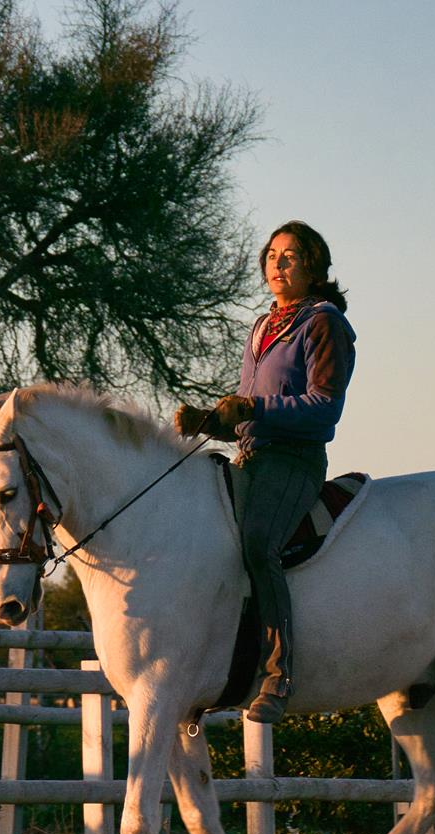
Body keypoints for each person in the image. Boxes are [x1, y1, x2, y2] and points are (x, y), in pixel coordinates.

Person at [175, 220, 356, 724]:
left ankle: (279, 675)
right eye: (272, 255)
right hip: (251, 459)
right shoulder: (261, 327)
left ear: (313, 266)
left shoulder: (323, 323)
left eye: (290, 256)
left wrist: (251, 406)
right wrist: (208, 422)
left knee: (259, 544)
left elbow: (323, 406)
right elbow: (246, 422)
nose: (278, 264)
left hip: (295, 461)